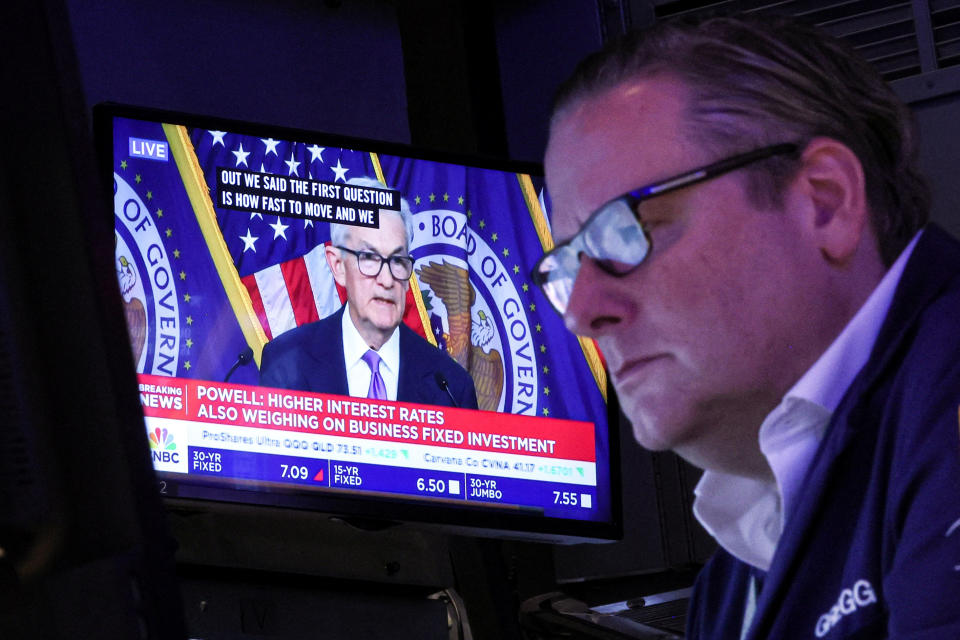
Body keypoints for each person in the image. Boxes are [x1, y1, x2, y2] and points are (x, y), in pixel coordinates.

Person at [533, 14, 960, 640]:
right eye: (567, 265)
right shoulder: (731, 586)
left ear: (824, 200)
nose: (582, 313)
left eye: (626, 232)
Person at [260, 178, 478, 409]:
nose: (386, 280)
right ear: (338, 266)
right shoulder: (286, 362)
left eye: (397, 260)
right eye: (370, 258)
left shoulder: (451, 385)